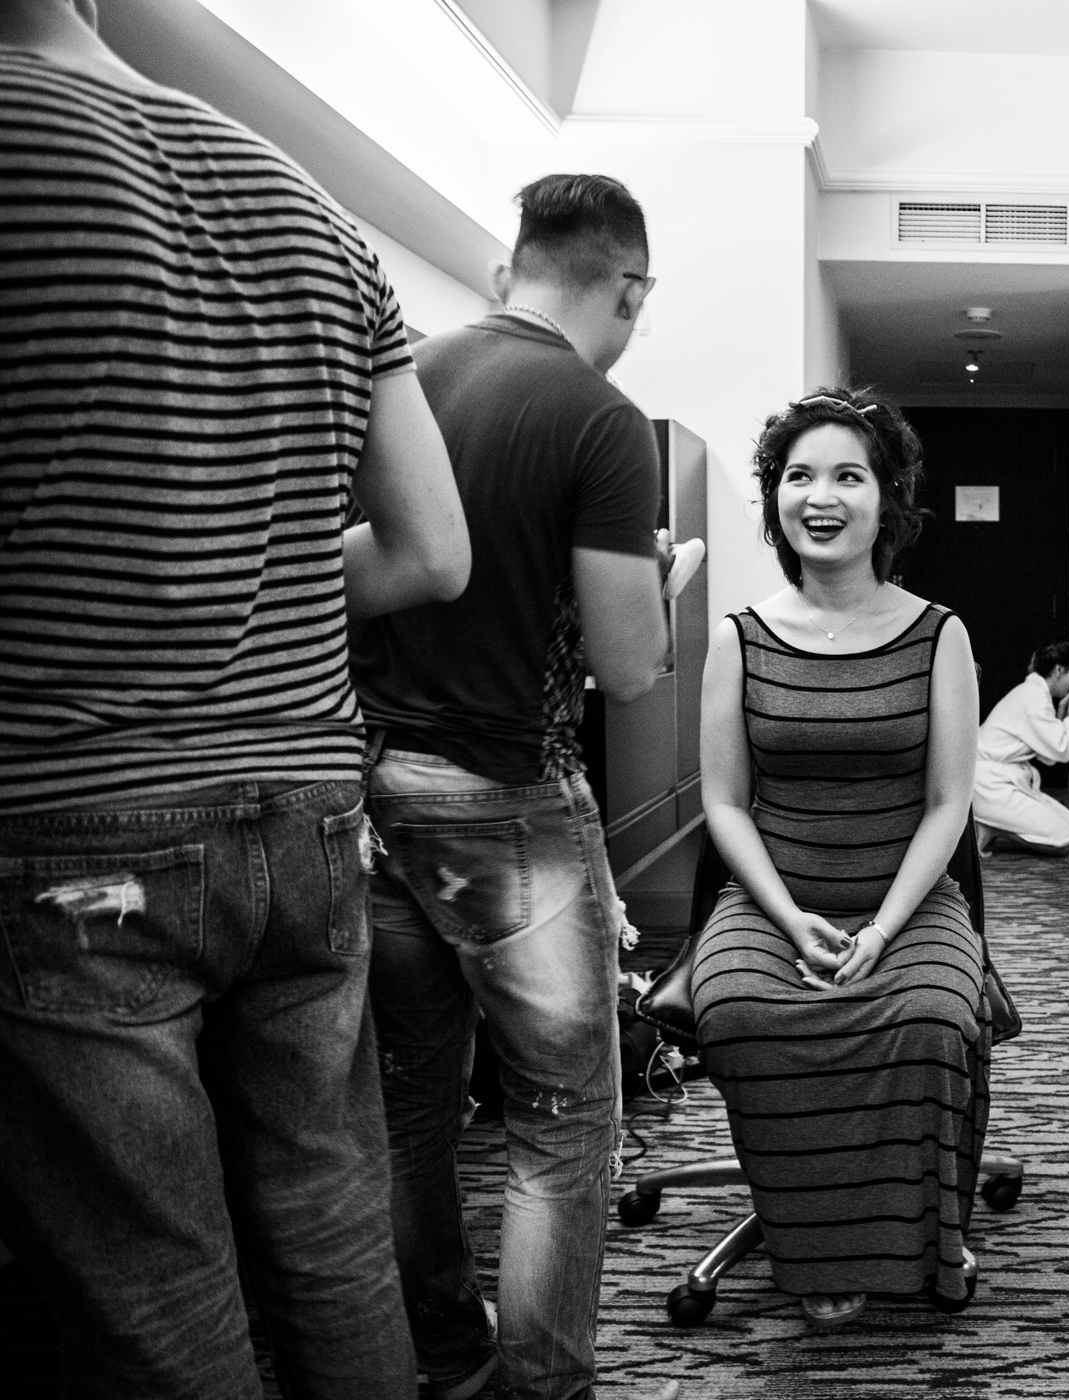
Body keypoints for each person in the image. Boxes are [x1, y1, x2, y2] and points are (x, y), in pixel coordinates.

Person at [0, 3, 473, 1394]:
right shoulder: (305, 197)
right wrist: (246, 580)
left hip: (76, 822)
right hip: (306, 817)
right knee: (334, 1235)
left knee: (155, 1278)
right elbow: (431, 550)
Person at [349, 174, 693, 1400]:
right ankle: (542, 1385)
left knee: (413, 1102)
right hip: (507, 799)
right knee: (562, 1116)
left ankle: (447, 1351)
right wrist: (662, 580)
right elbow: (629, 665)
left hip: (376, 787)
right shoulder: (601, 419)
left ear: (515, 265)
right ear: (630, 288)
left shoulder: (407, 375)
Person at [690, 388, 988, 1328]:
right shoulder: (739, 637)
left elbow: (949, 803)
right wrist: (789, 921)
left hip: (908, 899)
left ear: (888, 498)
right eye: (798, 476)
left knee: (933, 1019)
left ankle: (917, 1235)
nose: (820, 497)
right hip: (774, 898)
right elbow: (724, 803)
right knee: (742, 1011)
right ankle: (815, 1241)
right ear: (775, 496)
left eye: (848, 476)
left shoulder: (939, 634)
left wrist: (885, 930)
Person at [973, 640, 1069, 853]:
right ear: (1059, 670)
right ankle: (996, 826)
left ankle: (994, 825)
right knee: (1068, 839)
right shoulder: (1034, 698)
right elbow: (1061, 750)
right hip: (990, 785)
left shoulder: (1034, 693)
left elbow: (1048, 755)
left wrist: (1063, 706)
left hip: (1000, 781)